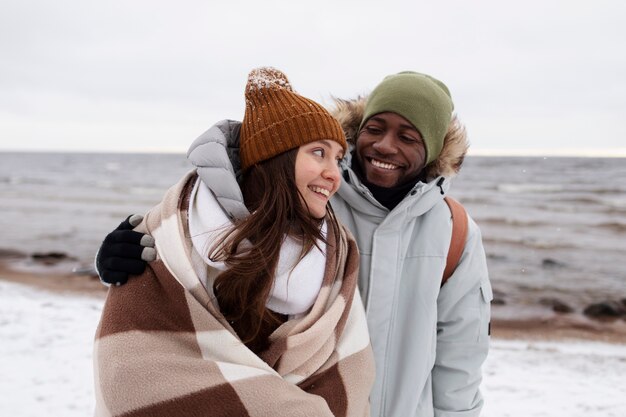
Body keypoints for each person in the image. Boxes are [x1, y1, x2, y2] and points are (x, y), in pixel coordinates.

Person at [97, 71, 492, 417]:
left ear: (435, 151)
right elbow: (211, 239)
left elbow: (461, 351)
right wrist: (125, 252)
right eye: (375, 128)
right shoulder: (311, 198)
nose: (385, 146)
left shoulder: (454, 230)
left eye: (407, 136)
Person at [93, 67, 375, 417]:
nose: (334, 174)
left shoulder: (337, 254)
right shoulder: (172, 237)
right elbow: (130, 373)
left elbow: (351, 372)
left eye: (338, 157)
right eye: (319, 152)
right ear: (277, 157)